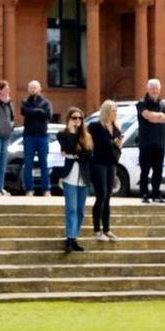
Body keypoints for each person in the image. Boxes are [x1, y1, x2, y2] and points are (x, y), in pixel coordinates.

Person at [57, 106, 92, 252]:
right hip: (69, 176)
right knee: (71, 208)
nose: (77, 121)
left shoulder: (86, 136)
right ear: (69, 120)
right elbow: (67, 148)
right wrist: (71, 131)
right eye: (74, 118)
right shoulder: (62, 135)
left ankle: (74, 237)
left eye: (80, 118)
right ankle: (70, 239)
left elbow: (88, 154)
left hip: (83, 177)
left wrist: (75, 155)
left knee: (80, 210)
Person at [89, 99, 122, 241]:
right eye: (112, 110)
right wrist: (111, 143)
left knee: (108, 196)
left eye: (115, 110)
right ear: (106, 111)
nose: (114, 113)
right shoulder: (96, 126)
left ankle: (107, 229)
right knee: (101, 194)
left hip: (111, 164)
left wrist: (118, 145)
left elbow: (117, 149)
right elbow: (96, 144)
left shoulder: (116, 128)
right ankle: (97, 230)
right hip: (98, 163)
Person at [136, 77, 165, 203]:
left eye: (157, 88)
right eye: (152, 88)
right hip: (146, 143)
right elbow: (149, 117)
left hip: (160, 142)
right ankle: (144, 194)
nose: (154, 90)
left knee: (158, 170)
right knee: (145, 170)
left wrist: (158, 117)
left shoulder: (162, 104)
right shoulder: (142, 103)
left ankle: (156, 194)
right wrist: (160, 117)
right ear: (148, 89)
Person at [20, 79, 53, 195]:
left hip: (42, 136)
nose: (33, 89)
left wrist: (34, 112)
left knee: (44, 163)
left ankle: (46, 189)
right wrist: (38, 112)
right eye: (31, 87)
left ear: (40, 89)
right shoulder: (25, 101)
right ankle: (29, 189)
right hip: (29, 136)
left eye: (35, 87)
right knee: (28, 164)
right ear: (28, 89)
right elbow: (24, 112)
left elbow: (48, 115)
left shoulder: (46, 102)